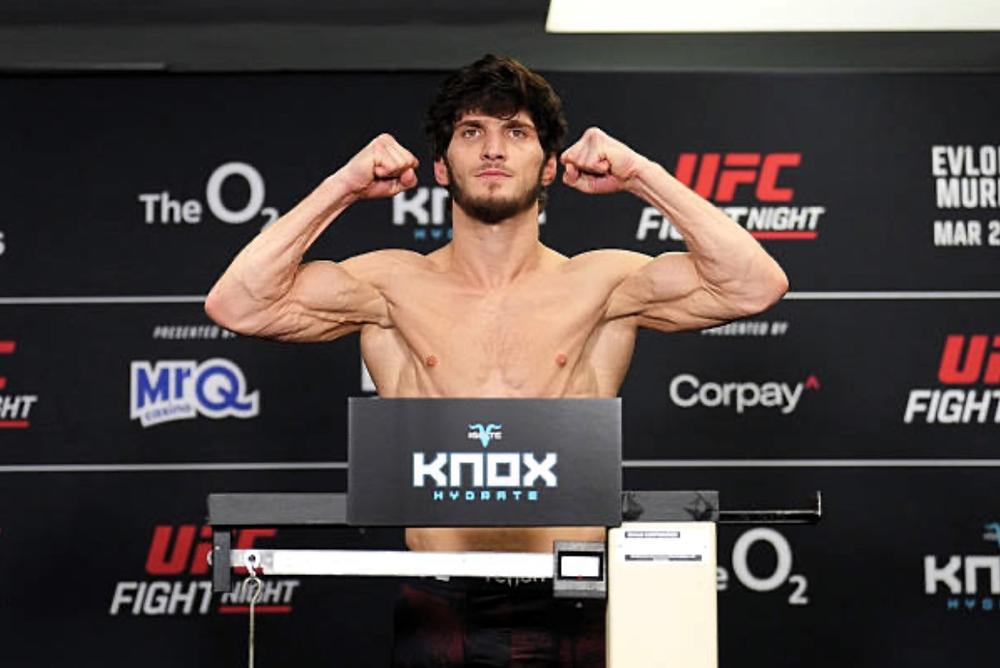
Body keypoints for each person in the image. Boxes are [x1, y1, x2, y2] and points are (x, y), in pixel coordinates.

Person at [205, 54, 788, 668]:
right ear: (441, 166)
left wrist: (642, 175)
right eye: (471, 131)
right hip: (441, 604)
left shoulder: (602, 285)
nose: (493, 149)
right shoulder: (389, 288)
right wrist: (343, 186)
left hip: (570, 597)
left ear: (549, 166)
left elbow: (754, 285)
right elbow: (237, 304)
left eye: (516, 132)